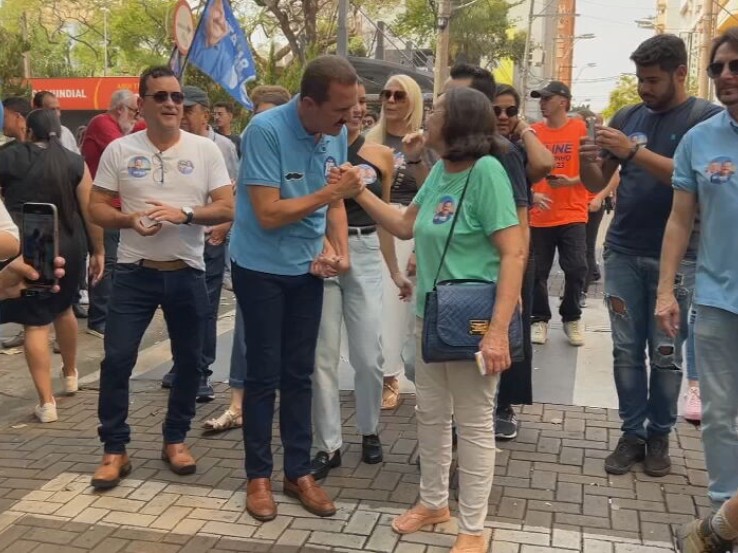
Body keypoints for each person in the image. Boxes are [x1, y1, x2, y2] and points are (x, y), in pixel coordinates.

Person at [352, 86, 525, 553]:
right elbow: (407, 225)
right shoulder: (440, 173)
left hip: (472, 323)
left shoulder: (486, 171)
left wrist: (496, 331)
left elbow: (513, 253)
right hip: (431, 317)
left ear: (460, 123)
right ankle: (433, 503)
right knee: (430, 415)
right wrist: (360, 192)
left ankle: (472, 528)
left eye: (437, 112)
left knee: (473, 423)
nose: (427, 118)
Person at [580, 34, 721, 478]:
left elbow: (690, 182)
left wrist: (633, 151)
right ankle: (631, 434)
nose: (644, 88)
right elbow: (593, 182)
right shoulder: (629, 116)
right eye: (640, 79)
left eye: (653, 80)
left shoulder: (705, 121)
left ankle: (659, 434)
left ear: (681, 73)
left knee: (665, 352)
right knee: (625, 350)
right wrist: (589, 159)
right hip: (622, 250)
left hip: (679, 260)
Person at [87, 66, 233, 489]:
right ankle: (115, 448)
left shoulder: (204, 150)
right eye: (161, 96)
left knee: (190, 361)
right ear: (142, 103)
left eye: (176, 97)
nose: (172, 103)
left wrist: (185, 214)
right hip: (134, 274)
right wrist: (130, 220)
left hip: (187, 273)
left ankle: (175, 438)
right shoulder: (119, 150)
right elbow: (96, 208)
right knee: (116, 360)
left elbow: (227, 207)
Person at [230, 55, 362, 522]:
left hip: (308, 269)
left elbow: (336, 207)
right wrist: (332, 194)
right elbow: (267, 212)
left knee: (300, 373)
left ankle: (297, 471)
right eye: (339, 110)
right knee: (264, 373)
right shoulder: (264, 131)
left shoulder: (336, 132)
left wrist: (339, 252)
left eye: (350, 110)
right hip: (260, 267)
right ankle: (258, 477)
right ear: (308, 103)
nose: (348, 120)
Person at [310, 80, 412, 480]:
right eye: (347, 104)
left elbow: (386, 218)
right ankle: (328, 444)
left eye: (359, 104)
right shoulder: (314, 147)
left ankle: (369, 430)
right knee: (322, 356)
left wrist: (392, 270)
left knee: (369, 354)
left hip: (366, 250)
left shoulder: (379, 155)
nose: (354, 110)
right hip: (323, 255)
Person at [656, 28, 738, 516]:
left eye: (736, 66)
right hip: (716, 301)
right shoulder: (699, 140)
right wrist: (667, 291)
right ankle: (726, 513)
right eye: (718, 68)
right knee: (719, 414)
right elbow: (680, 220)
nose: (726, 76)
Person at [447, 68, 553, 440]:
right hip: (473, 261)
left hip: (506, 260)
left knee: (502, 332)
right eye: (498, 110)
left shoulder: (503, 153)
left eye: (511, 111)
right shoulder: (463, 150)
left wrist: (518, 272)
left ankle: (501, 407)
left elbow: (521, 214)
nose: (504, 117)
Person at [0, 109, 104, 423]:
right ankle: (71, 374)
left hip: (28, 245)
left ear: (29, 130)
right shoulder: (74, 161)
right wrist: (98, 250)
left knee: (35, 323)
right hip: (71, 244)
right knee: (64, 309)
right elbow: (89, 208)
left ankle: (46, 403)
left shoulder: (10, 157)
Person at [201, 87, 292, 433]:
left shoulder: (301, 153)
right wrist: (224, 225)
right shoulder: (251, 149)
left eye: (266, 112)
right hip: (251, 259)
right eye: (256, 111)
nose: (259, 119)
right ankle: (237, 405)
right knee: (244, 334)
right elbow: (240, 196)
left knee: (292, 339)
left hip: (293, 262)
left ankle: (287, 403)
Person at [159, 85, 239, 402]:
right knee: (177, 306)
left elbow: (233, 193)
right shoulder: (172, 145)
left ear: (204, 113)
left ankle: (202, 372)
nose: (183, 116)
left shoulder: (222, 148)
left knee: (204, 308)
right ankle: (182, 364)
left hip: (209, 236)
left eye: (189, 110)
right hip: (176, 240)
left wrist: (223, 225)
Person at [366, 74, 428, 408]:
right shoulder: (368, 140)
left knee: (405, 311)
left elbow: (434, 193)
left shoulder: (425, 142)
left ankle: (408, 377)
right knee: (379, 309)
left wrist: (419, 245)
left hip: (413, 228)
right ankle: (386, 376)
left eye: (399, 95)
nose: (390, 101)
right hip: (375, 229)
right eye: (386, 94)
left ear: (413, 100)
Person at [527, 81, 589, 347]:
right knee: (537, 271)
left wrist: (570, 181)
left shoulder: (581, 129)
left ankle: (571, 316)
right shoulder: (534, 133)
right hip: (540, 214)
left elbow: (594, 169)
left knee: (576, 267)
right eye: (540, 99)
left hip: (573, 212)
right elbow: (523, 168)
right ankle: (539, 318)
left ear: (563, 101)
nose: (542, 103)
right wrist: (532, 194)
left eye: (547, 98)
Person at [81, 89, 142, 339]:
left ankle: (108, 314)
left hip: (117, 206)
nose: (137, 119)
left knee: (116, 262)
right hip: (102, 205)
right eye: (135, 113)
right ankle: (99, 318)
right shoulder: (102, 123)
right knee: (106, 261)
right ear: (121, 110)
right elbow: (124, 153)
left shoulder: (125, 127)